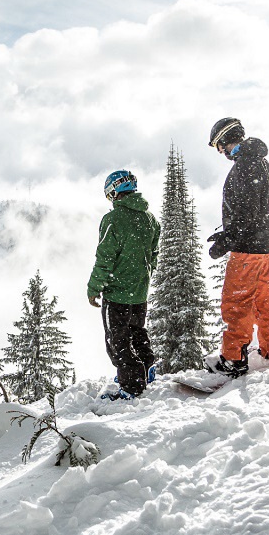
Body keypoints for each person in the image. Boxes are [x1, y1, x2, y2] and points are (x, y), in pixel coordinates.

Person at [205, 117, 269, 377]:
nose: (222, 153)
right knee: (262, 299)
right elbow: (265, 207)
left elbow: (247, 213)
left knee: (237, 301)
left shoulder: (245, 166)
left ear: (229, 139)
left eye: (220, 146)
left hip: (247, 247)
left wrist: (228, 240)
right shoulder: (262, 163)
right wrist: (228, 233)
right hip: (263, 243)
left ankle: (233, 359)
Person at [87, 170, 161, 399]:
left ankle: (131, 386)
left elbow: (105, 258)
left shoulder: (113, 220)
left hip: (117, 293)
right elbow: (154, 254)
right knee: (137, 331)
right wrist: (142, 277)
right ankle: (146, 368)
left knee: (117, 341)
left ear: (115, 191)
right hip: (140, 291)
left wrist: (93, 288)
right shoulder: (150, 219)